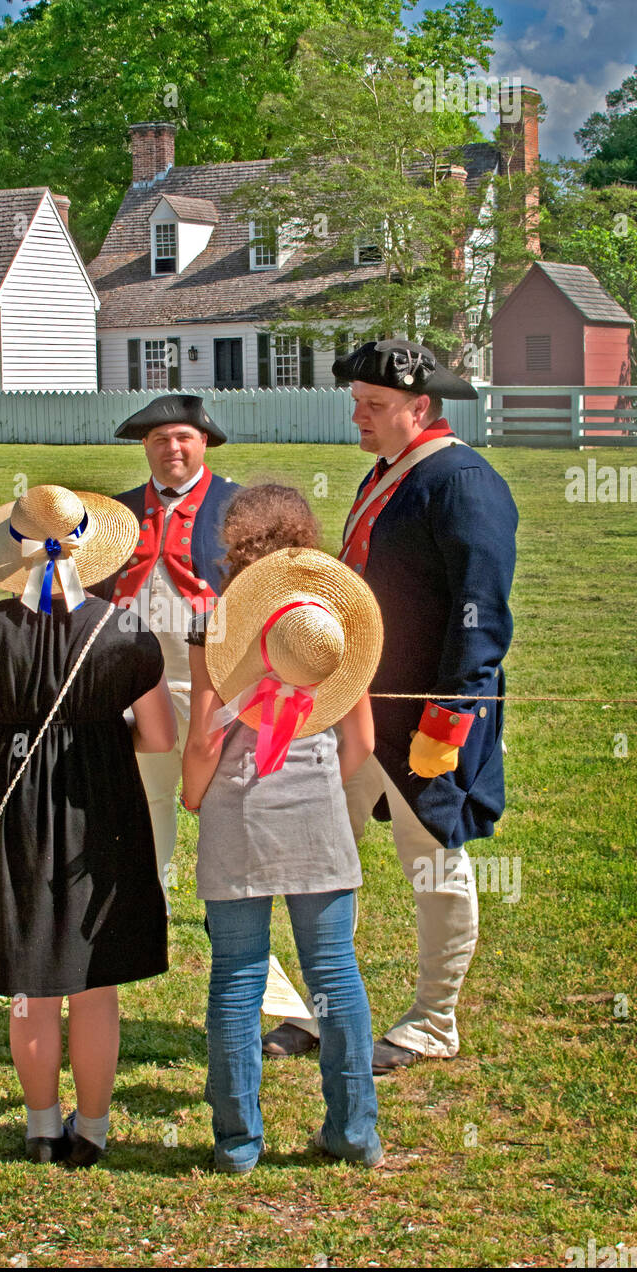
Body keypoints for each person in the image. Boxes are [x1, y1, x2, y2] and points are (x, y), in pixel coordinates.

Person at [264, 339, 518, 1073]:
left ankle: (433, 1020)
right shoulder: (392, 474)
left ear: (420, 407)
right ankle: (315, 1008)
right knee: (316, 854)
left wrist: (450, 717)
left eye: (373, 406)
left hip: (424, 716)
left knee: (434, 865)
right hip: (357, 710)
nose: (357, 417)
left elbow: (481, 611)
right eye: (357, 402)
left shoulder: (462, 481)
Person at [0, 484, 176, 1165]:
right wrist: (96, 738)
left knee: (32, 984)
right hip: (102, 812)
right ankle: (95, 1131)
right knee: (94, 984)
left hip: (16, 811)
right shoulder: (125, 631)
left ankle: (42, 1126)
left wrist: (17, 732)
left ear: (14, 551)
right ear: (90, 548)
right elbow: (159, 736)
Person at [181, 485, 385, 1173]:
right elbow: (360, 741)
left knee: (236, 977)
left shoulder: (219, 625)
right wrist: (321, 781)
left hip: (238, 808)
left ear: (236, 543)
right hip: (317, 810)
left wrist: (191, 797)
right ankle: (354, 1132)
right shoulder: (329, 627)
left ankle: (237, 1142)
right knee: (334, 972)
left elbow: (203, 741)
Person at [92, 394, 240, 900]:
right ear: (145, 447)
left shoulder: (238, 506)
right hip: (132, 677)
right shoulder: (119, 512)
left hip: (215, 676)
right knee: (144, 793)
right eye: (159, 439)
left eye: (182, 438)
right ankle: (146, 900)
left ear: (204, 443)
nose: (171, 448)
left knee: (224, 796)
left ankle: (228, 903)